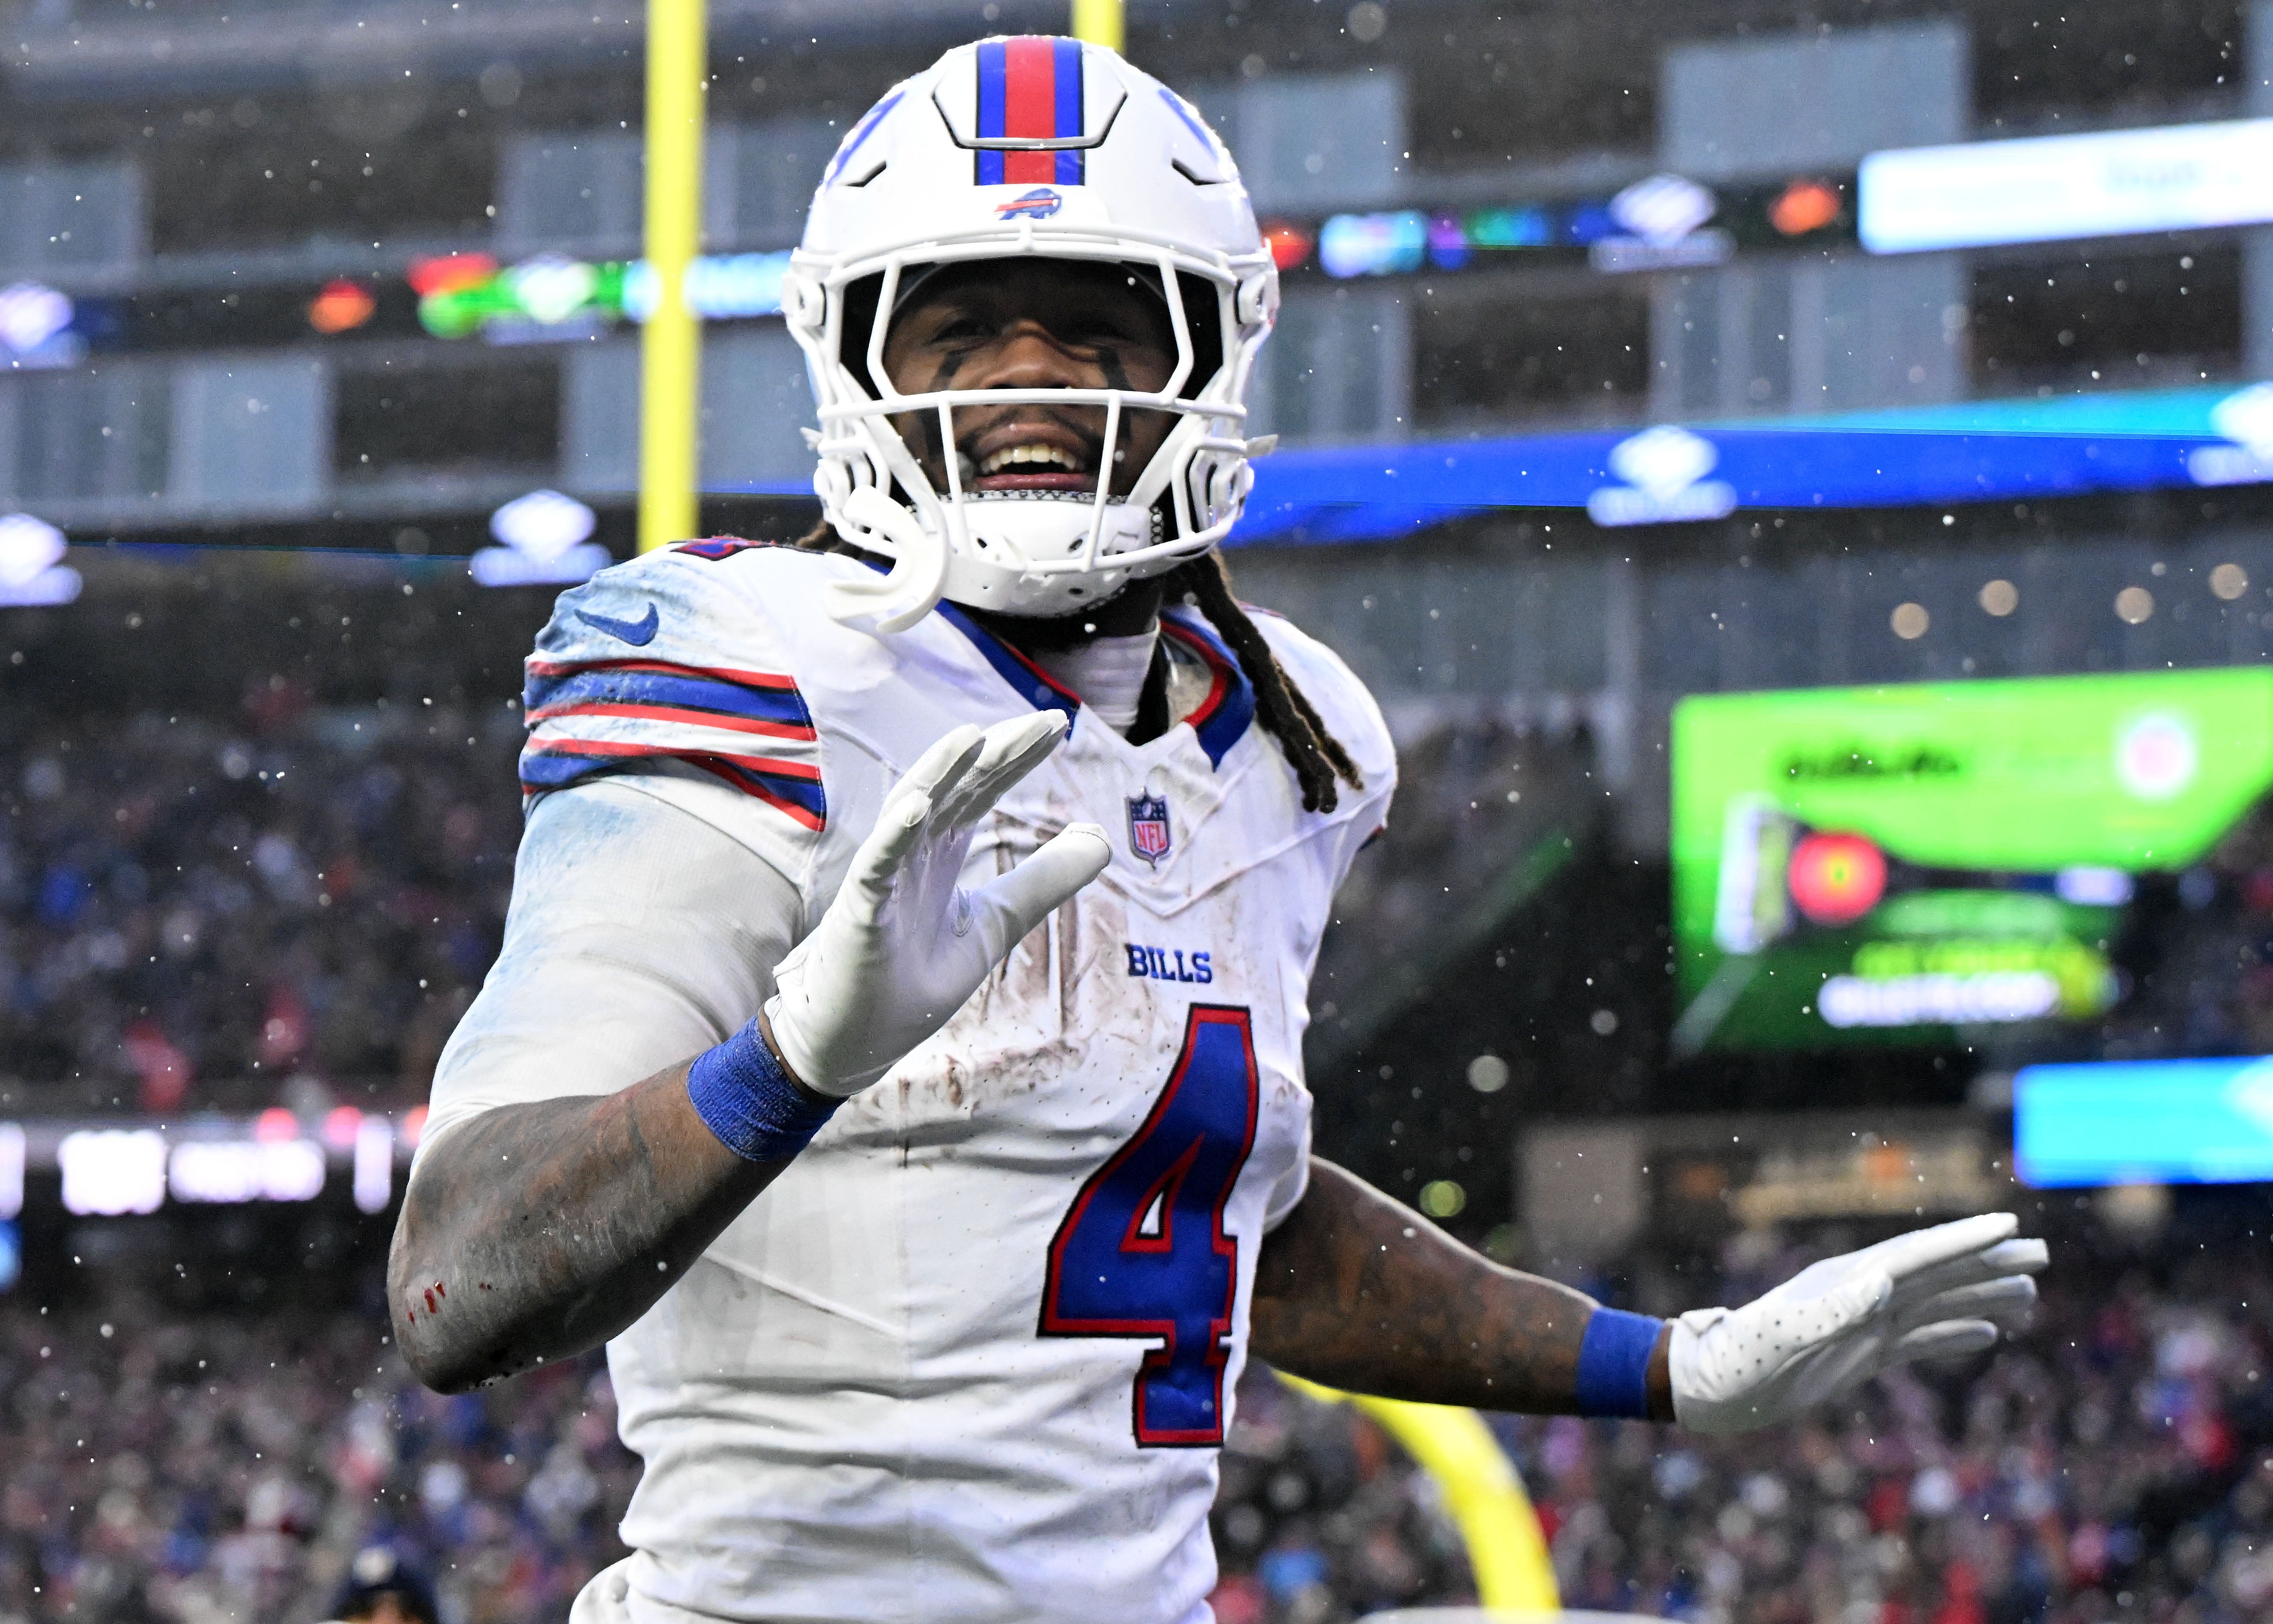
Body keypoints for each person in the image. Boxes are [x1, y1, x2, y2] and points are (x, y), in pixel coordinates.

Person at [387, 37, 2046, 1624]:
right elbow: (461, 1280)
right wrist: (794, 1056)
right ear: (852, 365)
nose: (1030, 376)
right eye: (956, 332)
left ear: (1214, 355)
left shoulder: (1287, 740)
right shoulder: (738, 666)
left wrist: (1662, 1366)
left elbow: (1213, 1206)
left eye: (1099, 326)